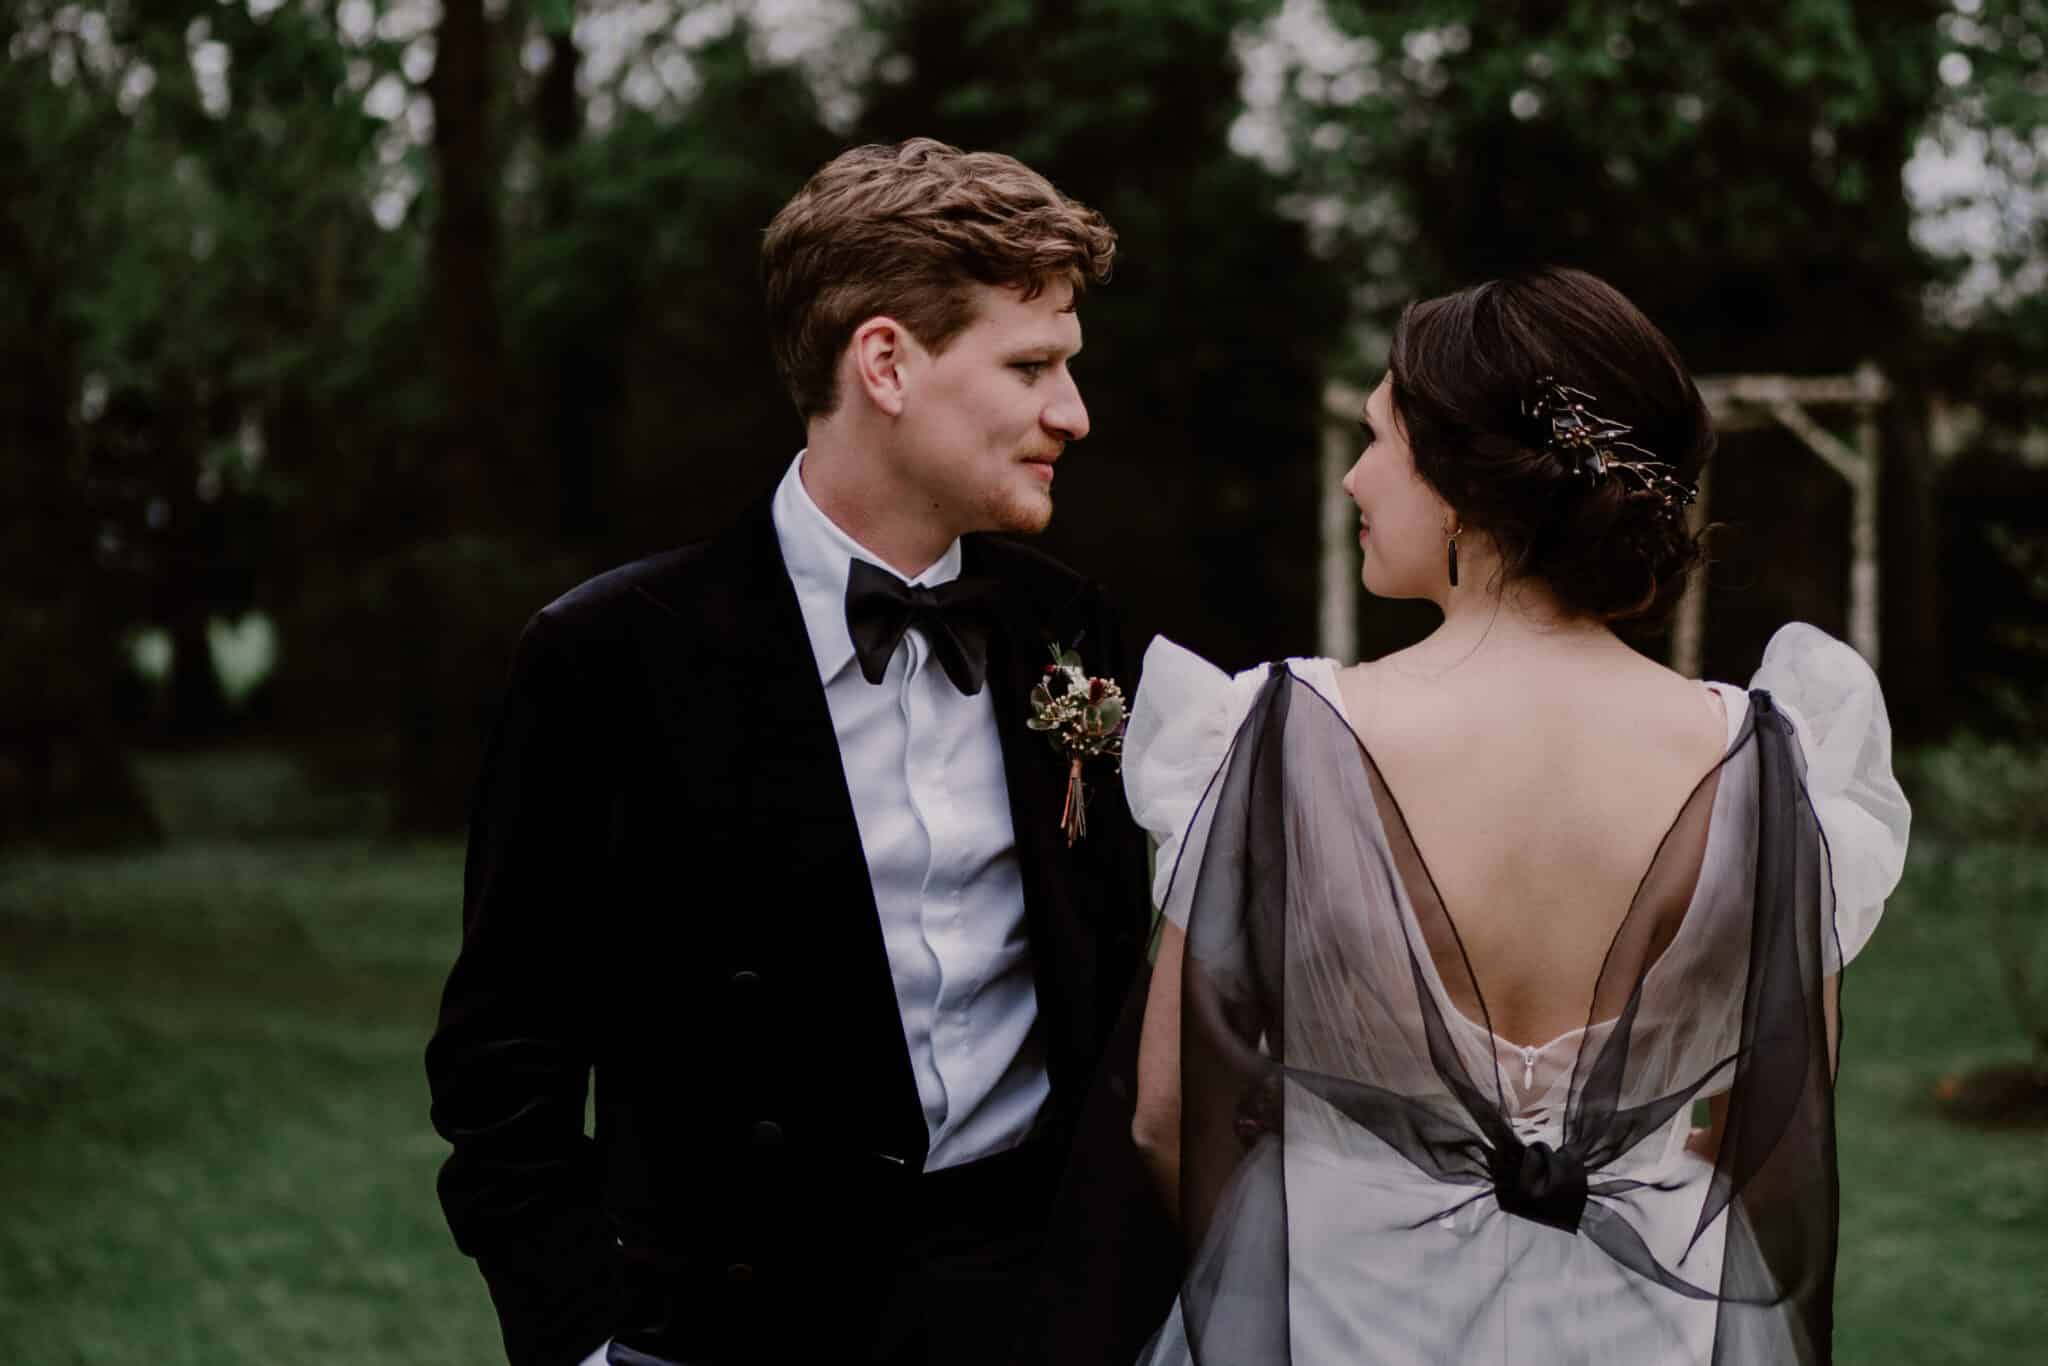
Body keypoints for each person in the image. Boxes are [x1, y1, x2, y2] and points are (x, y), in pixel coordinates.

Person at [424, 138, 1159, 1366]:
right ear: (885, 362)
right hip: (733, 1324)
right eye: (1031, 365)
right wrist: (579, 1340)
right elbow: (505, 1056)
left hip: (1030, 1318)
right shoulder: (611, 655)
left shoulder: (1069, 631)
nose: (1069, 412)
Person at [1110, 267, 1910, 1363]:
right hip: (1644, 1327)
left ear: (1457, 484)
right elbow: (1772, 1146)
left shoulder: (1271, 734)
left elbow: (1168, 1116)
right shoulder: (1770, 762)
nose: (1352, 477)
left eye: (1376, 438)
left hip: (1343, 1313)